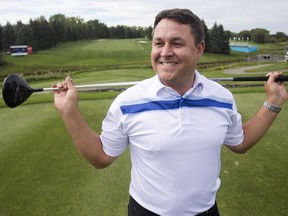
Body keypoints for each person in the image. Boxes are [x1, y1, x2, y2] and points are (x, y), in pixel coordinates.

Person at [53, 8, 287, 216]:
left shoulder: (222, 98)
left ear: (199, 49)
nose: (165, 52)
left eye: (176, 43)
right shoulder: (127, 101)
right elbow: (101, 158)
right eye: (158, 43)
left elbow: (240, 142)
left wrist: (273, 102)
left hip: (207, 212)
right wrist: (69, 111)